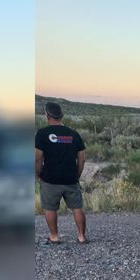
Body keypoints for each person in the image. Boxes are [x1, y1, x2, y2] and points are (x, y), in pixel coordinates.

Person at [34, 101, 87, 244]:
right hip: (70, 178)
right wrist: (77, 175)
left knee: (50, 208)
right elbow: (82, 158)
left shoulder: (42, 134)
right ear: (61, 116)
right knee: (77, 207)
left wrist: (38, 174)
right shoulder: (73, 134)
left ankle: (54, 236)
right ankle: (81, 237)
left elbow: (38, 158)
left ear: (47, 115)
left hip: (50, 179)